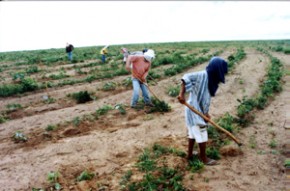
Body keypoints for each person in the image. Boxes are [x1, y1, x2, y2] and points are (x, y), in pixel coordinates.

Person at [177, 56, 228, 165]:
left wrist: (206, 113)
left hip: (198, 110)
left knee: (192, 133)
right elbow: (186, 77)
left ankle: (190, 155)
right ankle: (204, 158)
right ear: (217, 69)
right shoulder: (202, 75)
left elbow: (204, 99)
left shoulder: (211, 79)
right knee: (201, 132)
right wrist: (181, 94)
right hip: (193, 109)